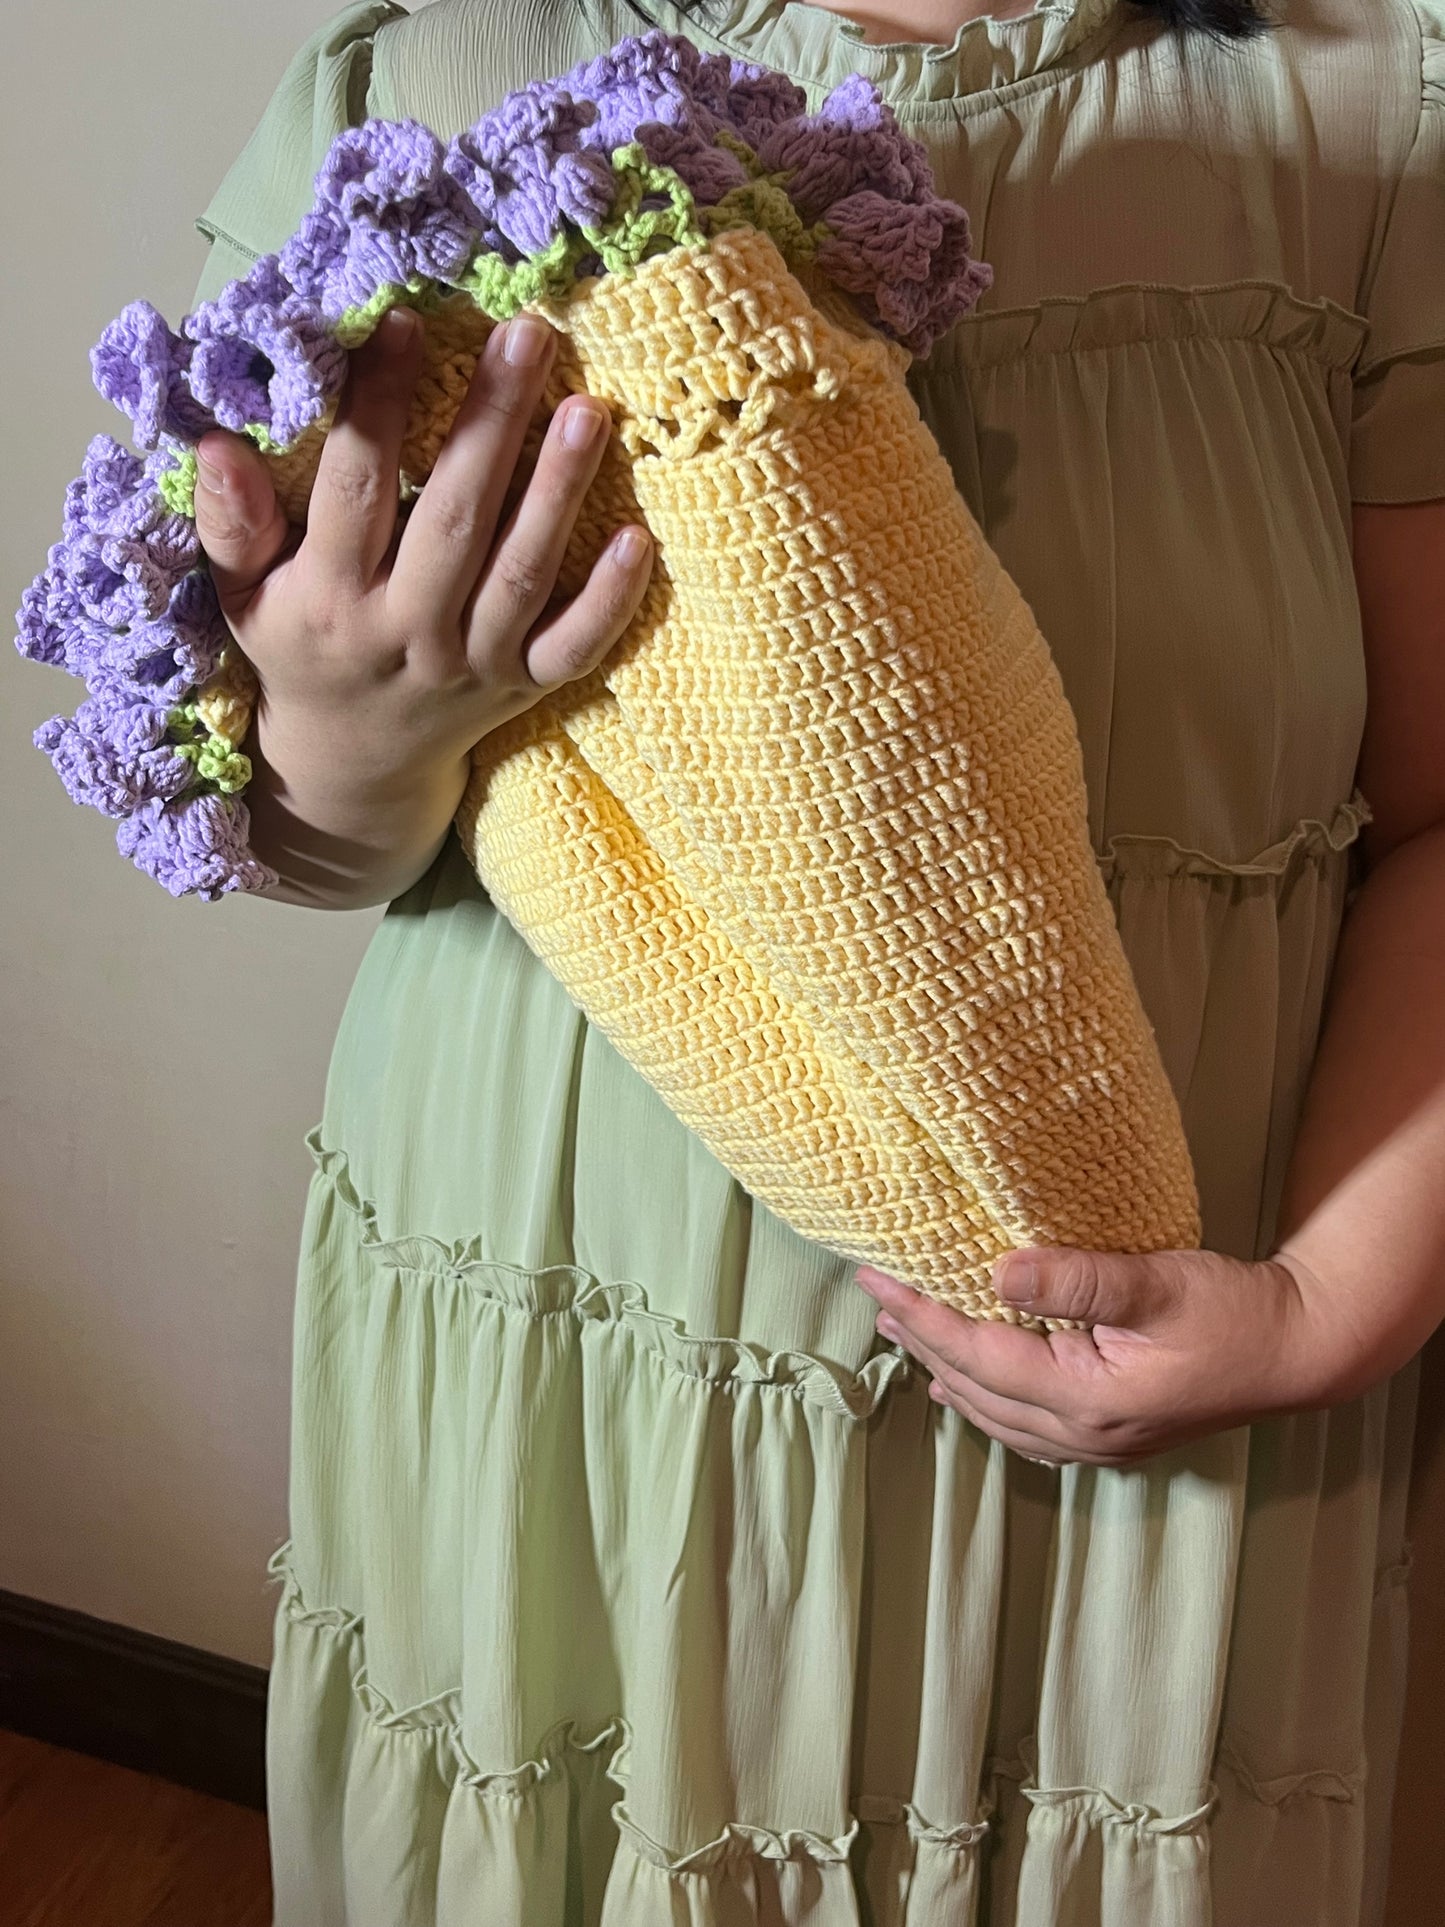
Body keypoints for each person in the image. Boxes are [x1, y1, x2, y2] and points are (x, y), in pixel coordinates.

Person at [186, 1, 1445, 1920]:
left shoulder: (1379, 119)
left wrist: (1326, 1310)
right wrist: (352, 735)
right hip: (562, 1391)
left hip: (1176, 1415)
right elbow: (293, 839)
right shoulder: (429, 76)